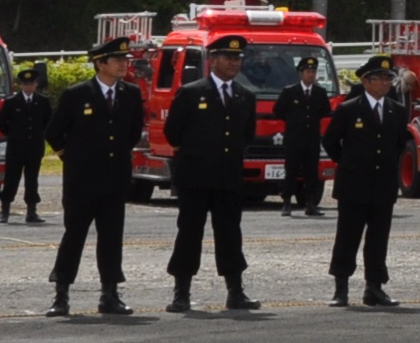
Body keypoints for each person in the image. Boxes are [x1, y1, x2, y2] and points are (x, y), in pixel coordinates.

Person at [44, 37, 147, 317]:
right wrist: (73, 158)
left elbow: (133, 132)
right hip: (82, 181)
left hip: (114, 179)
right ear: (100, 64)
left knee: (112, 237)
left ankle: (110, 294)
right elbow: (53, 132)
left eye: (125, 60)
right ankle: (61, 294)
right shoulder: (77, 94)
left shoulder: (130, 93)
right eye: (117, 60)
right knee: (74, 235)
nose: (123, 65)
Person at [164, 36, 261, 312]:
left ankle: (236, 291)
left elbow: (247, 135)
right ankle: (181, 292)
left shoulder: (245, 95)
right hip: (195, 176)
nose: (234, 63)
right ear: (213, 60)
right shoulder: (192, 92)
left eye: (238, 58)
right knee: (189, 233)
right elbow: (173, 133)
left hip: (228, 177)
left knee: (230, 234)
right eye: (228, 58)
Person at [323, 57, 411, 307]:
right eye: (380, 79)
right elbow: (330, 142)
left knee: (378, 239)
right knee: (347, 237)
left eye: (388, 79)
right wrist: (348, 164)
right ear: (366, 81)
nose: (385, 83)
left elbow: (399, 143)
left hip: (382, 185)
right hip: (354, 185)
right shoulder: (349, 109)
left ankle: (374, 287)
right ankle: (341, 288)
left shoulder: (396, 110)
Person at [273, 56, 331, 218]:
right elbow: (278, 110)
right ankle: (286, 203)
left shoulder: (319, 92)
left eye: (313, 71)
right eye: (308, 71)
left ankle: (310, 204)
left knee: (311, 172)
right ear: (301, 73)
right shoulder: (290, 91)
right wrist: (293, 121)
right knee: (291, 171)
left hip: (311, 139)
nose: (311, 74)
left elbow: (325, 110)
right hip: (294, 139)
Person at [0, 63, 51, 224]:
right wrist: (12, 134)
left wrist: (41, 134)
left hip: (34, 146)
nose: (28, 86)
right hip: (16, 147)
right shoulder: (12, 101)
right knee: (11, 178)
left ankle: (32, 211)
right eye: (25, 84)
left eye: (31, 83)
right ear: (21, 85)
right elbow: (1, 122)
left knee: (32, 180)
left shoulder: (42, 101)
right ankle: (5, 210)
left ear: (36, 84)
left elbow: (49, 121)